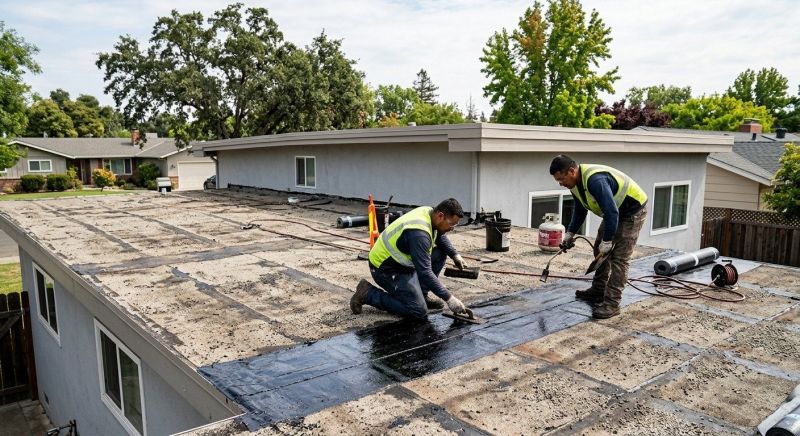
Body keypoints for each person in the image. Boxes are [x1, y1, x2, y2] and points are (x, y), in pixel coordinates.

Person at [549, 155, 648, 319]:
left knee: (619, 259)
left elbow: (612, 212)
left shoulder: (595, 181)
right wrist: (570, 234)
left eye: (561, 179)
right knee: (599, 249)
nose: (561, 183)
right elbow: (580, 209)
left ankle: (612, 304)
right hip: (615, 213)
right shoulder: (574, 183)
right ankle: (598, 290)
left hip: (632, 211)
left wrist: (608, 241)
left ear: (572, 171)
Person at [350, 198, 469, 320]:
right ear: (440, 216)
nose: (452, 228)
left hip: (400, 263)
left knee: (440, 253)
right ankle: (368, 294)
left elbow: (439, 233)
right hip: (385, 268)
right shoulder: (419, 234)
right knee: (418, 310)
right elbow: (425, 272)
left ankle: (422, 295)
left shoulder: (429, 212)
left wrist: (455, 255)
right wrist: (449, 298)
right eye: (451, 224)